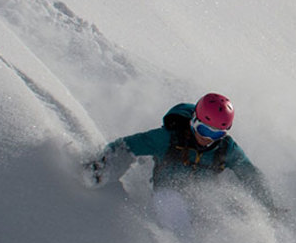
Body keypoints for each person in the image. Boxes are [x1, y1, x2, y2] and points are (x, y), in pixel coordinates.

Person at [84, 92, 277, 229]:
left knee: (230, 211)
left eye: (216, 133)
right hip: (167, 194)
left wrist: (269, 206)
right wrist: (102, 165)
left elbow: (249, 174)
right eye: (204, 129)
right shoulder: (169, 137)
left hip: (201, 199)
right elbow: (128, 146)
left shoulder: (226, 148)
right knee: (172, 205)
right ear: (194, 120)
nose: (208, 138)